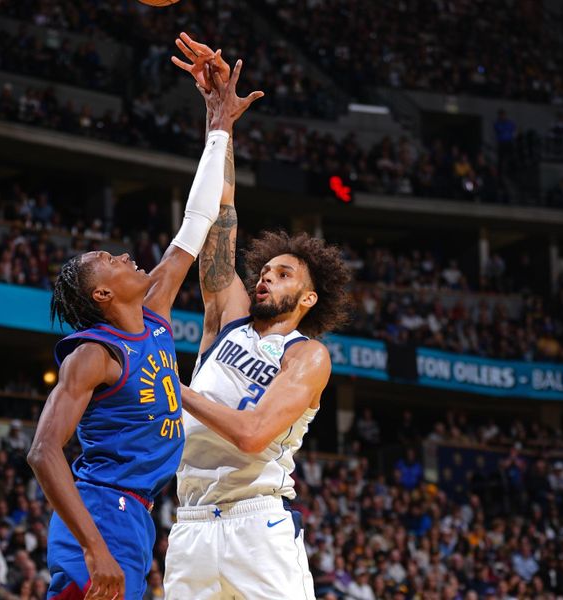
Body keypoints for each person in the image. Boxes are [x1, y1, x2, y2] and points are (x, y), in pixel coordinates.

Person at [27, 56, 262, 600]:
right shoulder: (94, 354)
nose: (126, 254)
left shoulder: (153, 314)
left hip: (134, 514)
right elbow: (43, 450)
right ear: (102, 295)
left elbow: (196, 222)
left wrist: (219, 126)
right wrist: (94, 547)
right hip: (100, 513)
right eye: (109, 259)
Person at [164, 33, 352, 600]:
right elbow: (220, 214)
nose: (266, 275)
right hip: (190, 525)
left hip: (257, 525)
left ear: (310, 298)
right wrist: (219, 123)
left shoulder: (306, 356)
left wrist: (169, 383)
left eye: (285, 273)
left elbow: (252, 434)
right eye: (265, 269)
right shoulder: (228, 320)